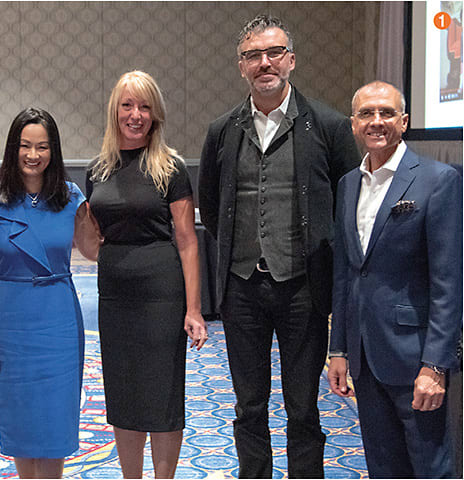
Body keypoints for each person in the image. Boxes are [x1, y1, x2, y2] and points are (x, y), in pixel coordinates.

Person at [197, 15, 361, 478]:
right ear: (241, 66)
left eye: (273, 54)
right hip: (242, 289)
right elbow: (211, 206)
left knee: (302, 406)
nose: (264, 63)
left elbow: (346, 204)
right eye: (253, 55)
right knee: (249, 404)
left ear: (291, 60)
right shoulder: (222, 130)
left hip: (303, 289)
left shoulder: (328, 126)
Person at [328, 81, 462, 478]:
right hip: (365, 357)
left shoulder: (438, 180)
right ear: (353, 124)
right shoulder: (348, 184)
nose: (377, 121)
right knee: (383, 467)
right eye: (367, 114)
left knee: (430, 468)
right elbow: (346, 273)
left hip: (416, 358)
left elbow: (449, 283)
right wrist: (339, 350)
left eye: (386, 113)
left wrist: (436, 366)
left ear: (404, 121)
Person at [87, 70, 207, 479]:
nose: (135, 114)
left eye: (144, 106)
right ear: (114, 110)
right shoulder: (98, 169)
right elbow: (92, 239)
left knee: (162, 393)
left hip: (161, 292)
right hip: (114, 293)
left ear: (155, 114)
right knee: (123, 394)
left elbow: (188, 240)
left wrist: (194, 309)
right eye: (127, 105)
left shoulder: (169, 167)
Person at [0, 107, 100, 478]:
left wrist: (101, 208)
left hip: (58, 316)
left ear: (53, 151)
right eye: (25, 146)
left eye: (42, 147)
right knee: (21, 418)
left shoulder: (71, 198)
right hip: (11, 319)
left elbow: (93, 250)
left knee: (55, 421)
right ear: (13, 149)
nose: (33, 155)